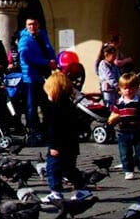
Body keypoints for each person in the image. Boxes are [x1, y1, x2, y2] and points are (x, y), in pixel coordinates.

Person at [40, 72, 93, 203]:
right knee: (69, 169)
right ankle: (82, 189)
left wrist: (53, 146)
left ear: (54, 91)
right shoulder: (70, 105)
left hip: (59, 146)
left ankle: (55, 192)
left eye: (48, 92)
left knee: (53, 169)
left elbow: (54, 129)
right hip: (72, 145)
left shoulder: (55, 108)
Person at [18, 17, 57, 145]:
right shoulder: (24, 39)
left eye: (34, 24)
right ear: (26, 26)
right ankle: (35, 131)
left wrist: (53, 60)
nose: (32, 27)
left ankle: (46, 130)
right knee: (32, 107)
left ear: (38, 24)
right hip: (31, 77)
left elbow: (49, 49)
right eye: (29, 24)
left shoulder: (43, 35)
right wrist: (46, 62)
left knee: (47, 105)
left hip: (45, 75)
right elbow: (26, 56)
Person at [108, 73, 140, 180]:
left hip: (138, 132)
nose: (128, 90)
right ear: (120, 89)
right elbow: (114, 115)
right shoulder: (118, 103)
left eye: (132, 88)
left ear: (136, 88)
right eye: (125, 88)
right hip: (123, 133)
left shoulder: (139, 102)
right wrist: (111, 121)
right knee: (125, 154)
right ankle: (128, 171)